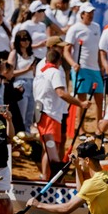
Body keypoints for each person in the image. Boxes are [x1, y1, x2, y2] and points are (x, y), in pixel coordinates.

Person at [32, 141, 108, 214]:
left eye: (80, 160)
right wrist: (77, 167)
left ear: (87, 160)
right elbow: (80, 191)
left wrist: (39, 205)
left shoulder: (93, 183)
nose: (79, 163)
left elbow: (67, 209)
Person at [35, 46, 89, 179]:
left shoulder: (41, 72)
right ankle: (49, 179)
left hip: (41, 114)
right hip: (50, 115)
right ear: (59, 62)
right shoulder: (55, 72)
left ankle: (46, 176)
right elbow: (61, 93)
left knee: (47, 148)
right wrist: (80, 103)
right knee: (51, 148)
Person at [63, 1, 104, 121]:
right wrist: (73, 64)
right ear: (82, 14)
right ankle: (81, 129)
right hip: (81, 68)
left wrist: (101, 66)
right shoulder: (74, 29)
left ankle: (99, 126)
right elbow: (66, 51)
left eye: (92, 13)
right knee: (82, 100)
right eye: (88, 13)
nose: (91, 15)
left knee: (99, 98)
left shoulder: (96, 27)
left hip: (95, 68)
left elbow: (97, 48)